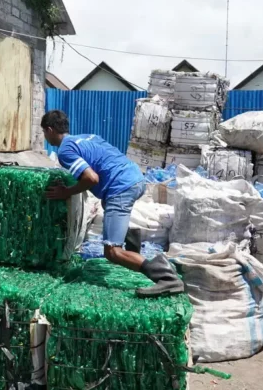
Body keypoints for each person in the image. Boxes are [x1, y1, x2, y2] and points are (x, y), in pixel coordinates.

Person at [41, 110, 184, 298]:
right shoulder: (87, 137)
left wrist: (66, 192)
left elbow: (91, 178)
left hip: (121, 187)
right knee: (106, 201)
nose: (45, 135)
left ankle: (166, 277)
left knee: (112, 252)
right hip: (136, 178)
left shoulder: (65, 151)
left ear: (50, 130)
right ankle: (131, 238)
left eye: (44, 132)